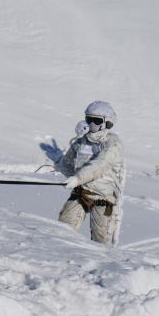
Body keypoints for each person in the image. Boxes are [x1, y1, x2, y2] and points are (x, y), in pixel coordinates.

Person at [58, 101, 125, 246]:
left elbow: (100, 165)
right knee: (61, 232)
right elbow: (66, 164)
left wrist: (78, 178)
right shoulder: (82, 141)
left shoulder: (112, 144)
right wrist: (72, 177)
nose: (92, 125)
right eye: (89, 120)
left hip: (104, 199)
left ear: (108, 123)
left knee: (101, 243)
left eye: (97, 121)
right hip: (80, 193)